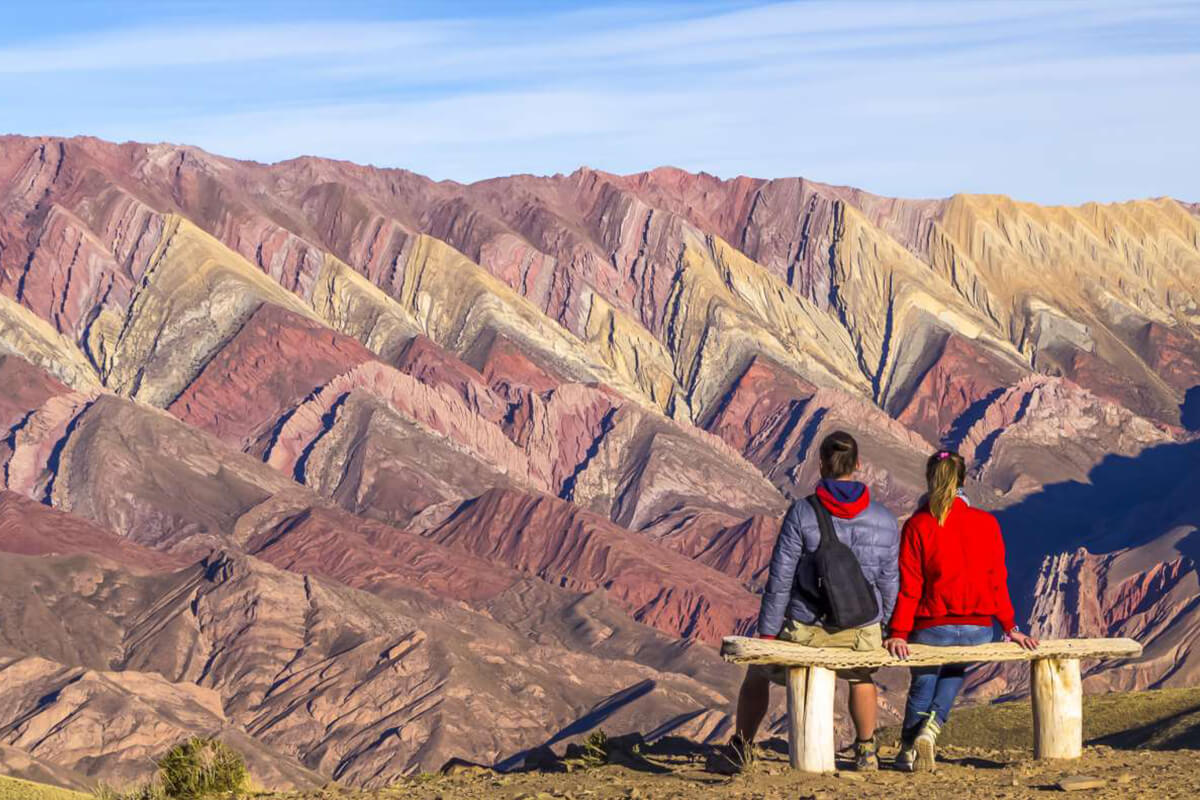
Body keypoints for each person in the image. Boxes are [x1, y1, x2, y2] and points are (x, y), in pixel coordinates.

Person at [729, 431, 900, 772]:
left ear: (821, 465)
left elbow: (780, 579)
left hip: (807, 629)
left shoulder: (802, 513)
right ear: (858, 465)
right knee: (861, 676)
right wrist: (887, 626)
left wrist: (767, 636)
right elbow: (888, 580)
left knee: (757, 673)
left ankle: (741, 747)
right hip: (860, 632)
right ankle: (866, 750)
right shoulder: (884, 519)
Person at [885, 449, 1039, 773]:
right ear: (963, 480)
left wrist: (898, 632)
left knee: (923, 681)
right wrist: (1011, 628)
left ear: (930, 480)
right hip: (979, 629)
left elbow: (910, 587)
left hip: (932, 626)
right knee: (955, 668)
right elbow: (997, 581)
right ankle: (933, 727)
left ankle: (907, 751)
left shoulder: (917, 525)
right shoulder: (987, 523)